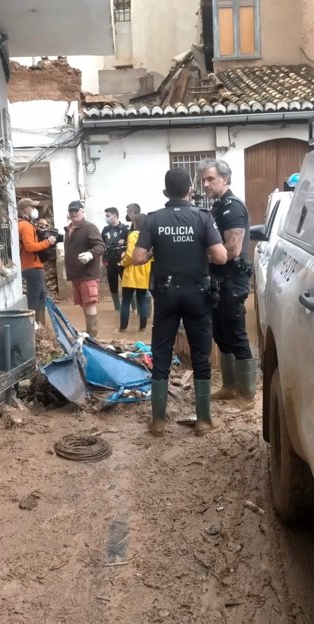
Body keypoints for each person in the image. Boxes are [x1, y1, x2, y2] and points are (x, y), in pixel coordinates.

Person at [132, 168, 227, 437]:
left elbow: (138, 258)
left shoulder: (153, 220)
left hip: (166, 295)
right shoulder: (203, 218)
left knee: (161, 352)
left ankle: (159, 421)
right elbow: (220, 257)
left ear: (165, 193)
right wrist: (197, 256)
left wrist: (155, 252)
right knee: (200, 354)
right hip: (198, 293)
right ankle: (204, 420)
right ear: (190, 191)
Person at [200, 159, 256, 410]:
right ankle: (230, 387)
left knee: (236, 334)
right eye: (203, 180)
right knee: (221, 334)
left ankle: (247, 394)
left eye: (210, 179)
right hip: (218, 281)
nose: (205, 184)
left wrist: (198, 257)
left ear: (225, 179)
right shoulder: (217, 207)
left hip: (233, 281)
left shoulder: (232, 208)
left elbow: (232, 249)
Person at [63, 200, 104, 337]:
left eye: (76, 210)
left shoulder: (90, 227)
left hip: (88, 274)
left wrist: (90, 254)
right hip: (76, 274)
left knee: (90, 303)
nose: (74, 213)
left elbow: (100, 246)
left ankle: (93, 335)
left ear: (82, 211)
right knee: (83, 305)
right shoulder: (68, 229)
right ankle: (89, 332)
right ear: (68, 214)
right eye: (71, 211)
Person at [18, 198, 56, 325]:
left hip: (30, 266)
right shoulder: (26, 226)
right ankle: (34, 328)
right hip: (32, 266)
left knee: (41, 297)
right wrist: (47, 242)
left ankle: (41, 327)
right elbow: (30, 247)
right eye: (32, 207)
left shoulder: (22, 224)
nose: (35, 210)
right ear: (26, 209)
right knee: (35, 300)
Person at [119, 213, 151, 332]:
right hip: (144, 271)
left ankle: (122, 329)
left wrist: (122, 263)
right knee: (142, 300)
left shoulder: (133, 235)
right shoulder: (149, 235)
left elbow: (130, 255)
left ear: (135, 223)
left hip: (132, 271)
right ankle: (142, 328)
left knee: (126, 301)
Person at [101, 207, 129, 311]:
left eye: (108, 216)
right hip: (110, 260)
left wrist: (124, 243)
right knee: (112, 284)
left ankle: (133, 309)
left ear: (115, 216)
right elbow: (102, 244)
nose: (106, 218)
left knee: (127, 284)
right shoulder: (105, 230)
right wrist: (103, 259)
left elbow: (131, 244)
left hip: (123, 261)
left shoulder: (125, 229)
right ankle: (117, 309)